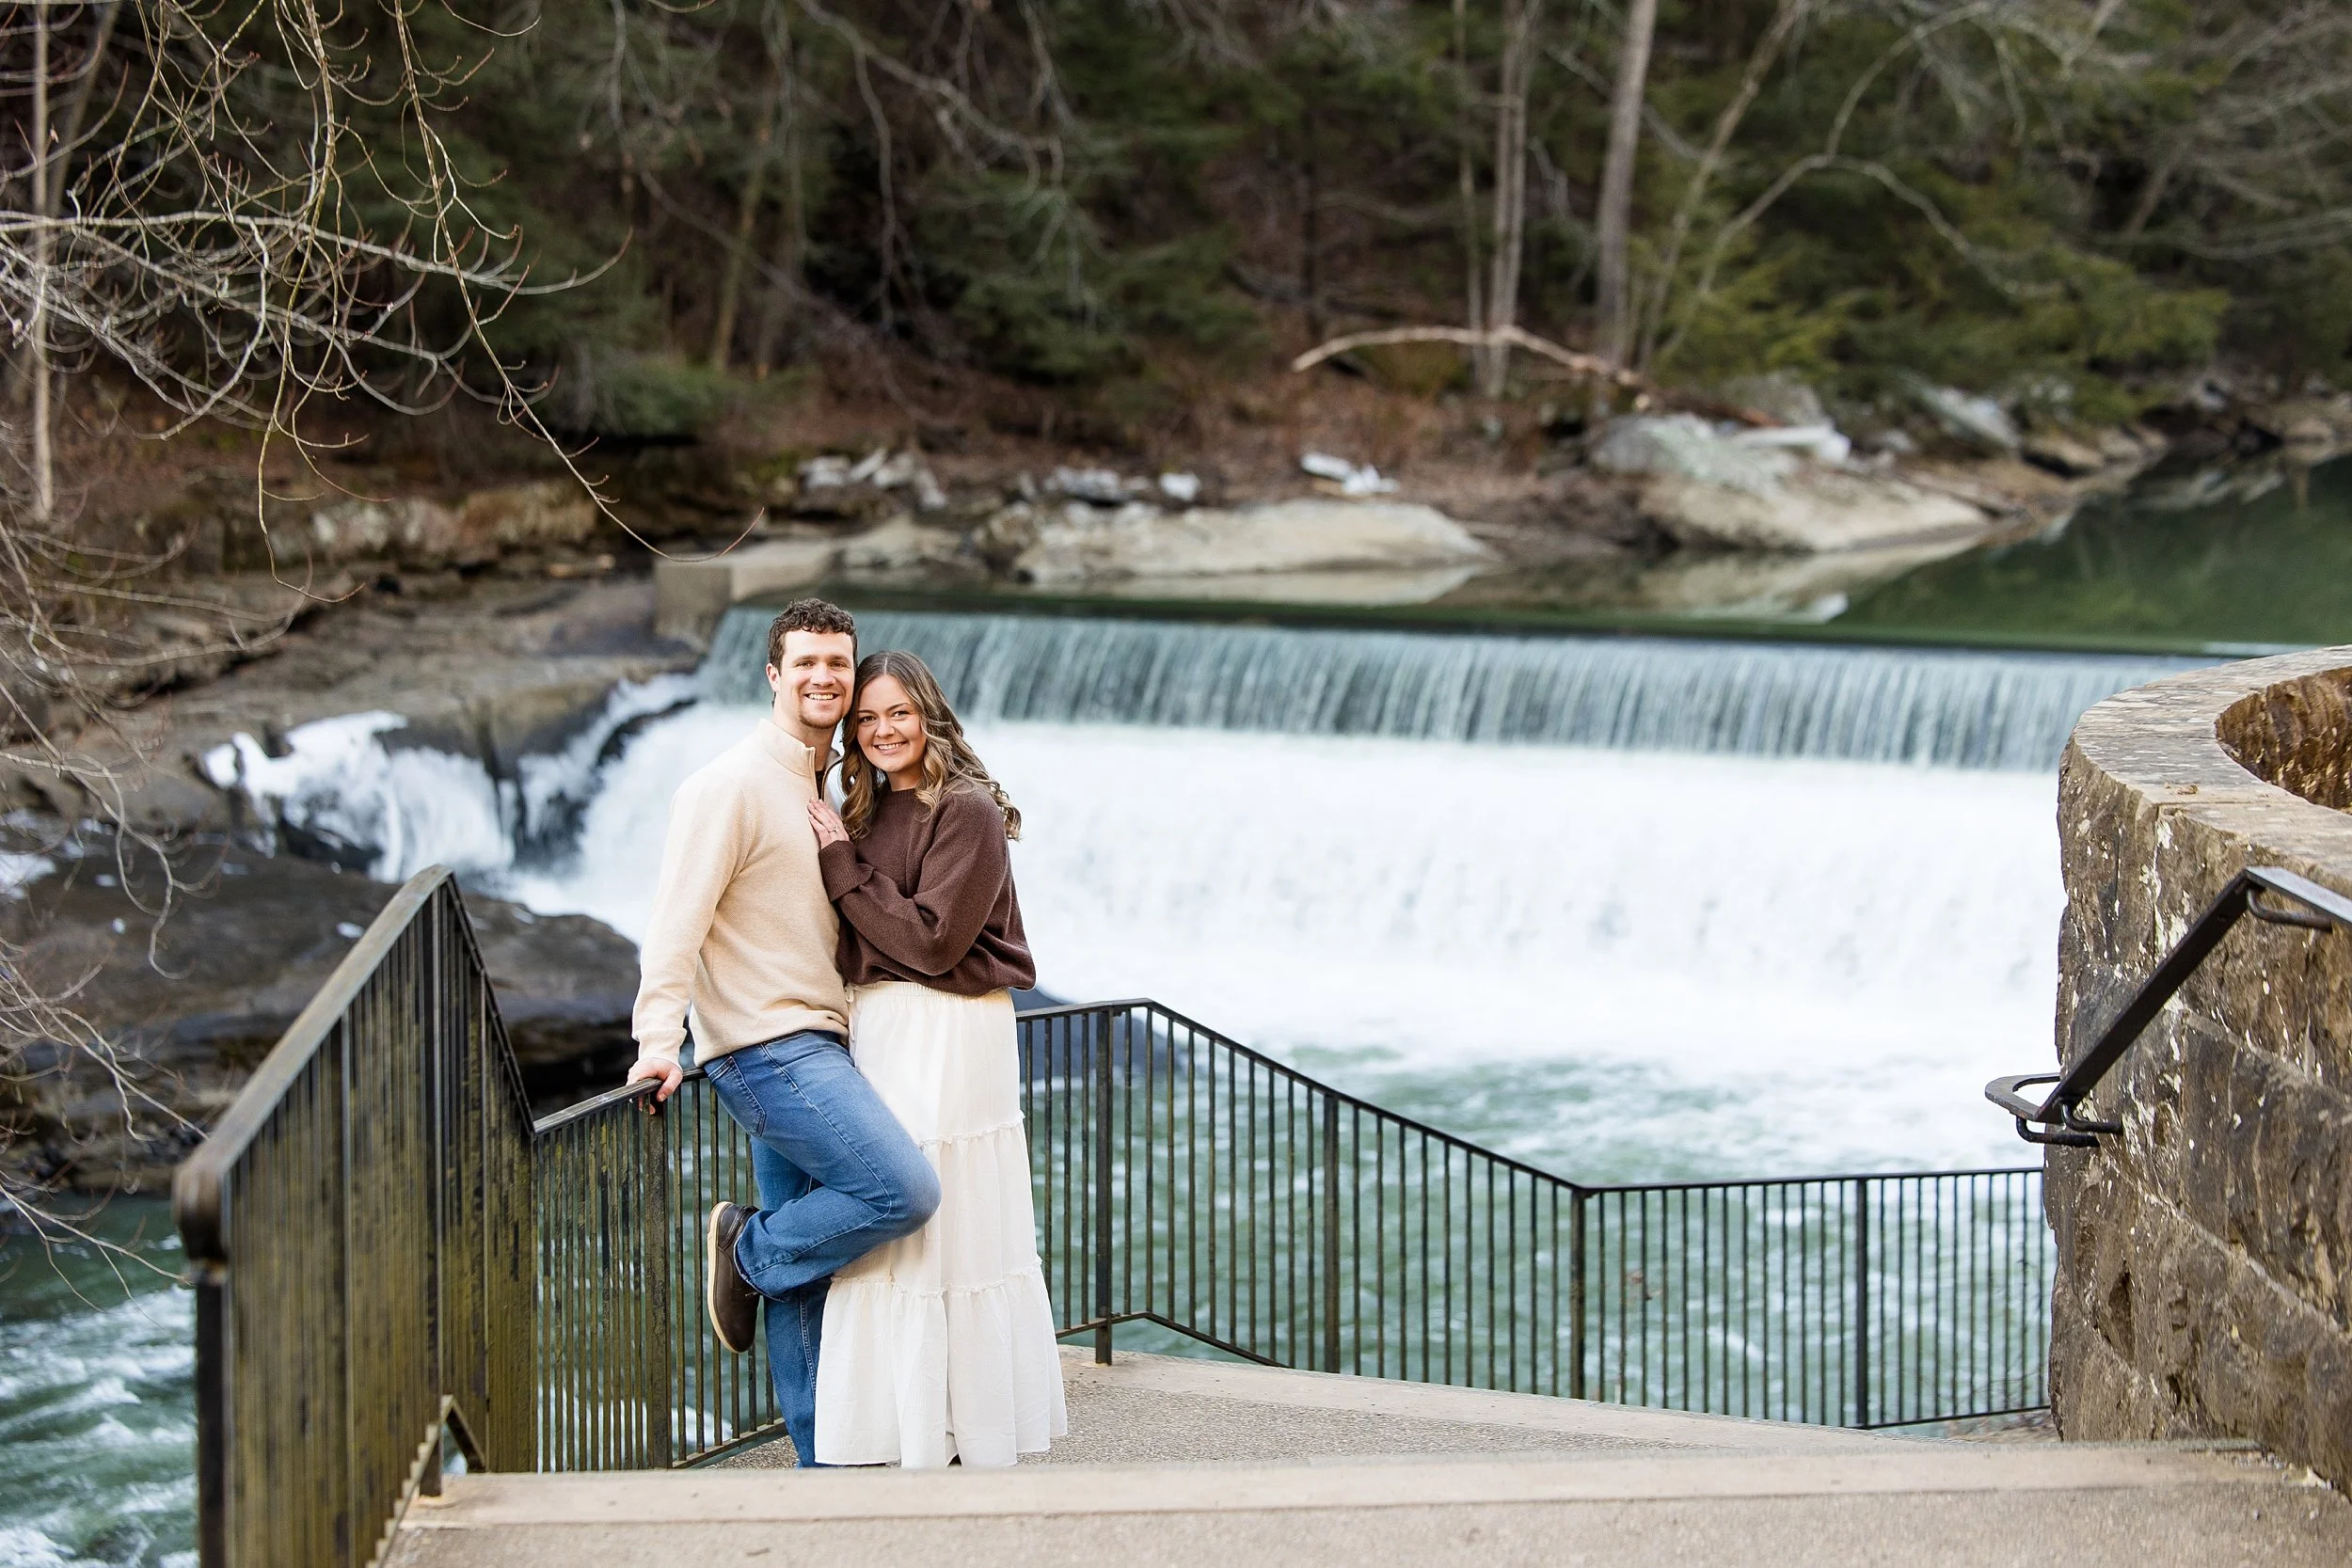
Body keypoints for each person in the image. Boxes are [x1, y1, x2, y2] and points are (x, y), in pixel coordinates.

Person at [624, 598, 939, 1470]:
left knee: (811, 1276)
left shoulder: (825, 786)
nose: (825, 678)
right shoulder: (728, 784)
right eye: (806, 663)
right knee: (903, 1189)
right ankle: (745, 1246)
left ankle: (820, 1462)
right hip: (767, 1048)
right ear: (773, 674)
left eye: (838, 663)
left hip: (823, 1044)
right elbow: (675, 922)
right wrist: (658, 1038)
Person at [803, 649, 1068, 1468]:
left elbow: (931, 937)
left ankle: (964, 1426)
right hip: (881, 1029)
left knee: (954, 1218)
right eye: (868, 718)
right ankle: (897, 1425)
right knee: (899, 1224)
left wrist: (841, 868)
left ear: (930, 715)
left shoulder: (968, 810)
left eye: (899, 713)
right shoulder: (858, 809)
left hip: (955, 1031)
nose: (883, 730)